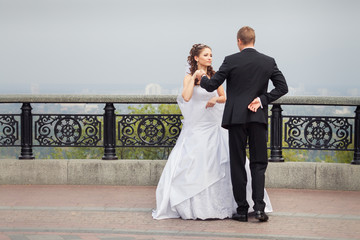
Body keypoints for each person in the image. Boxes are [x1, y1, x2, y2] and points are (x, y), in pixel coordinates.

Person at [152, 43, 272, 220]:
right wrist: (194, 78)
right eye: (206, 55)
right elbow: (186, 97)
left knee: (227, 162)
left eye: (211, 55)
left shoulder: (214, 76)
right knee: (195, 163)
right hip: (197, 128)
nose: (210, 58)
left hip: (213, 126)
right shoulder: (188, 78)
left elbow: (224, 96)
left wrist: (215, 99)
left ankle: (236, 204)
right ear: (196, 58)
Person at [199, 26, 288, 222]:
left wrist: (202, 77)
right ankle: (259, 209)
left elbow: (212, 85)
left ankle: (241, 210)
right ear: (253, 40)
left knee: (238, 164)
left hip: (236, 119)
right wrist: (262, 100)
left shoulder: (231, 60)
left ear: (239, 40)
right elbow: (283, 87)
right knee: (258, 164)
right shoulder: (268, 61)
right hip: (257, 118)